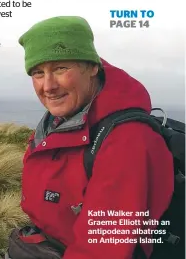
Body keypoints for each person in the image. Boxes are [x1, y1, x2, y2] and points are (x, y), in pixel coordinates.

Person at [10, 16, 173, 259]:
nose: (48, 86)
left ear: (93, 67)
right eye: (37, 73)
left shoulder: (128, 141)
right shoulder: (62, 119)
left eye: (61, 68)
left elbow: (100, 251)